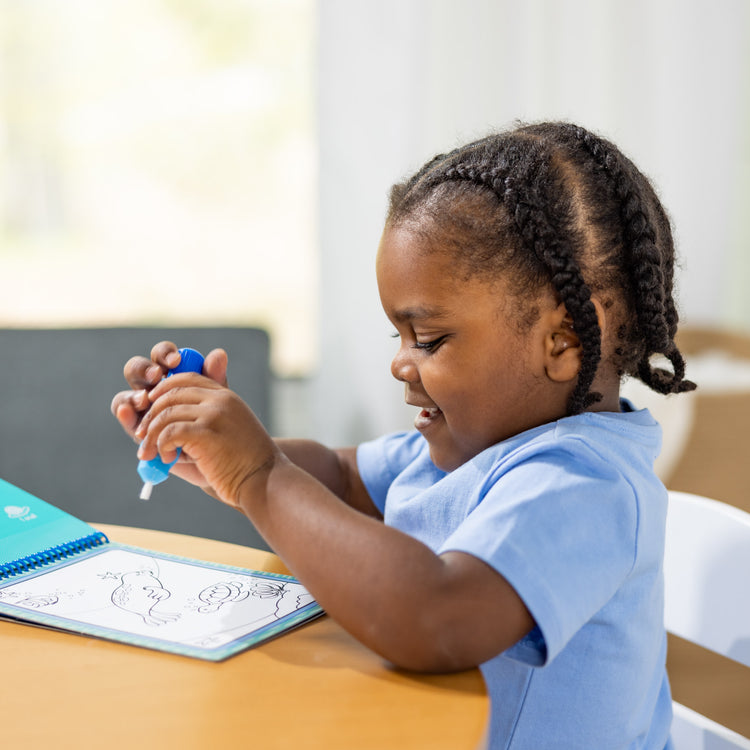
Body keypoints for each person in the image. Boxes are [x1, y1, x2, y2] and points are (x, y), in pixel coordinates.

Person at [111, 121, 696, 749]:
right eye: (399, 336)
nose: (400, 363)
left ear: (564, 342)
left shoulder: (584, 485)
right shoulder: (474, 445)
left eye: (431, 339)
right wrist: (224, 447)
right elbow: (340, 477)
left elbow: (434, 618)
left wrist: (259, 475)